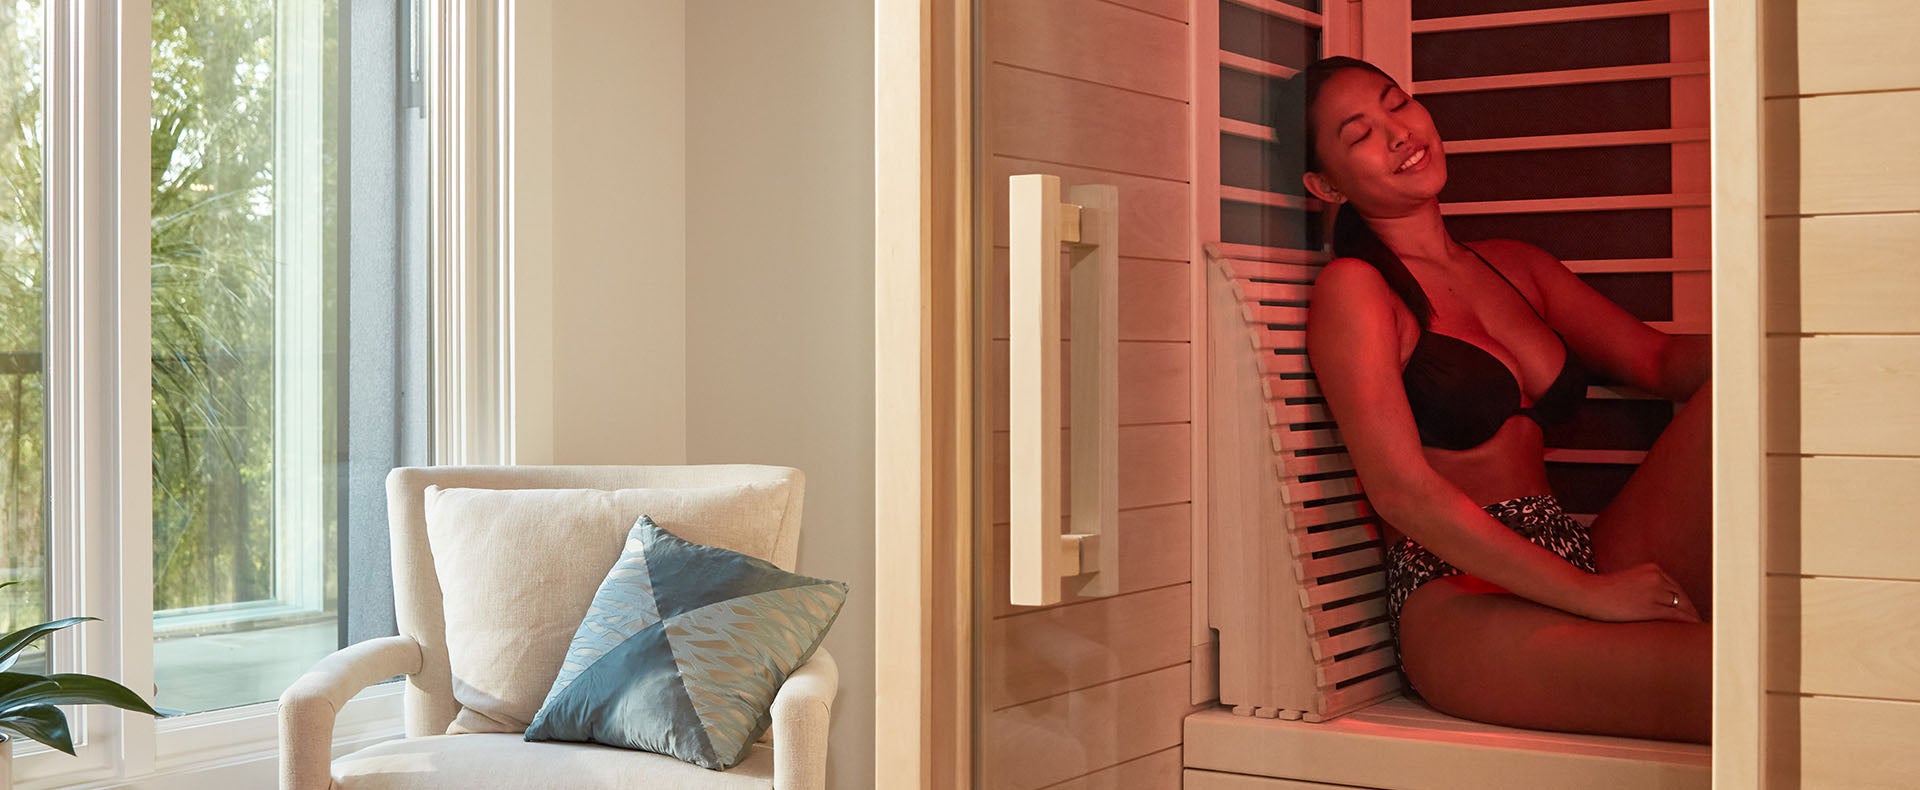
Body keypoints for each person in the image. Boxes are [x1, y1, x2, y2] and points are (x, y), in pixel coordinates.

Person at [1286, 56, 1712, 743]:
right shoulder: (1356, 290)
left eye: (1397, 103)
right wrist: (1592, 596)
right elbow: (1399, 490)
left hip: (1571, 549)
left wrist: (1801, 337)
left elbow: (1658, 361)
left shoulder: (1517, 266)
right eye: (1359, 132)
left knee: (1749, 385)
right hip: (1460, 596)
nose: (1398, 132)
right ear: (1326, 183)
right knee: (1752, 679)